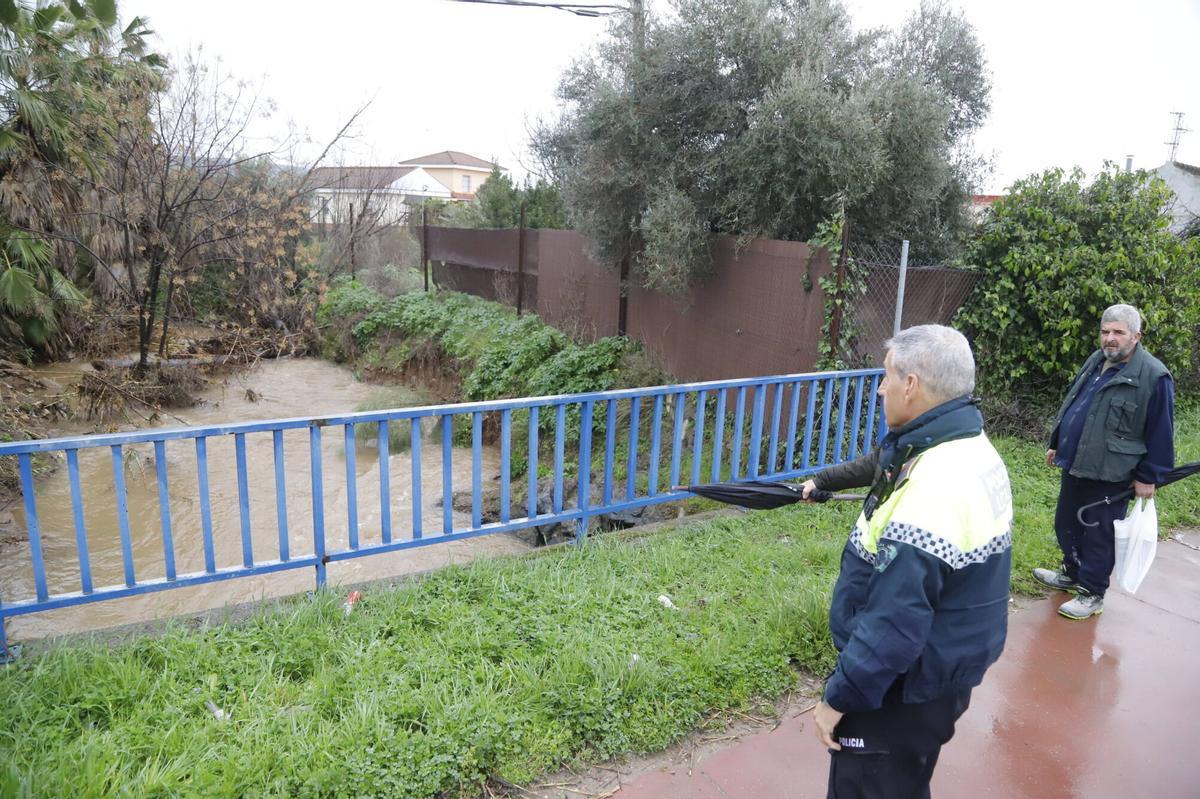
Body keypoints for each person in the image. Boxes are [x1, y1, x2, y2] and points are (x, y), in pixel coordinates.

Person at [800, 324, 1013, 799]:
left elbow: (895, 623)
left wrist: (838, 698)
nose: (880, 388)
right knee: (903, 783)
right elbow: (880, 461)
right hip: (939, 672)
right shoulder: (963, 446)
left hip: (899, 686)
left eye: (886, 376)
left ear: (911, 385)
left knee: (869, 788)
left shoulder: (934, 485)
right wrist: (824, 481)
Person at [1035, 303, 1174, 620]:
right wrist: (1058, 443)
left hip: (1112, 472)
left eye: (1118, 332)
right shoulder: (1097, 360)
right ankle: (1071, 573)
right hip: (1076, 460)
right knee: (1066, 522)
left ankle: (1092, 592)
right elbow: (1075, 401)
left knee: (1099, 534)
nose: (1109, 338)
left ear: (1136, 336)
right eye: (1105, 331)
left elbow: (1161, 430)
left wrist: (1149, 476)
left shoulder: (1154, 376)